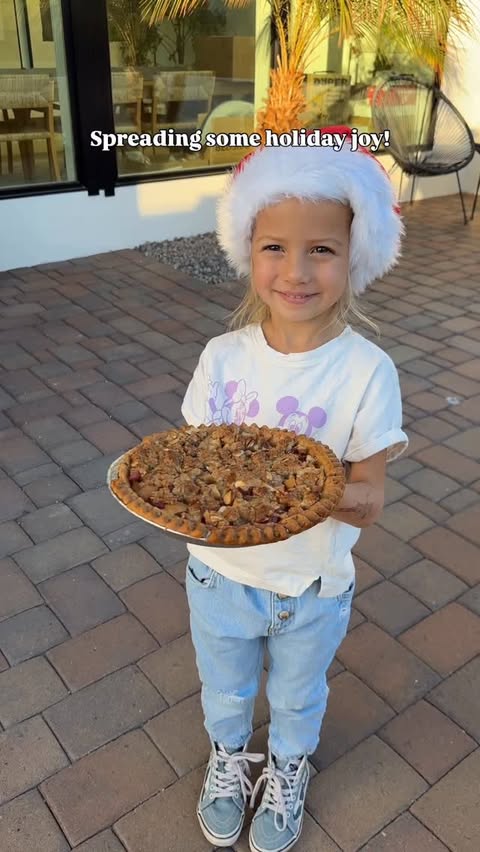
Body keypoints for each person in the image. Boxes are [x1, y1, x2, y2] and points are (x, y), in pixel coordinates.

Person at [180, 126, 409, 852]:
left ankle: (286, 765)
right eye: (274, 245)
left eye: (322, 249)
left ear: (355, 257)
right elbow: (191, 464)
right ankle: (228, 758)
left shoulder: (367, 373)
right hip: (218, 574)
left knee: (298, 694)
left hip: (313, 582)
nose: (296, 270)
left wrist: (323, 494)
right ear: (249, 252)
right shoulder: (221, 358)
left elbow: (369, 496)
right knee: (225, 689)